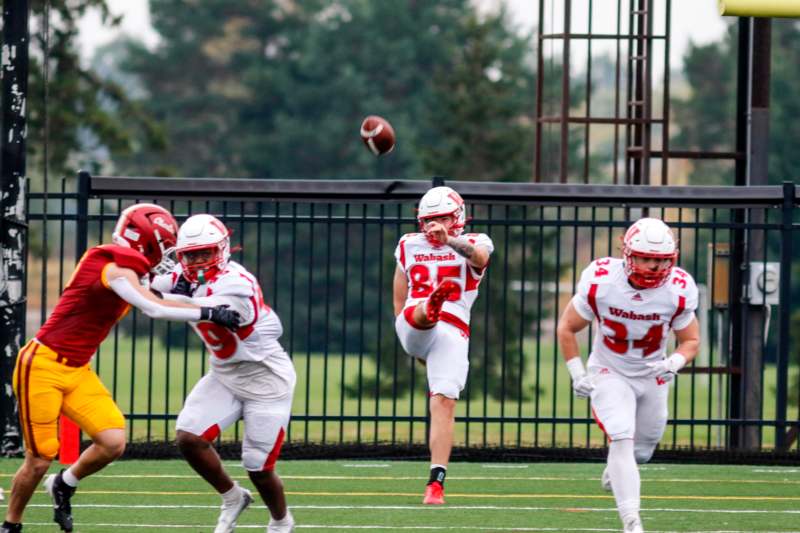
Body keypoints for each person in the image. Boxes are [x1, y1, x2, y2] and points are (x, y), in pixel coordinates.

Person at [2, 204, 241, 533]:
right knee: (40, 457)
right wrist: (209, 313)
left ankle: (64, 484)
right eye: (164, 245)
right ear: (149, 241)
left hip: (77, 369)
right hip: (42, 365)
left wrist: (194, 297)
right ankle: (10, 525)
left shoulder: (126, 269)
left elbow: (158, 291)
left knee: (112, 441)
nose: (167, 254)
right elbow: (153, 307)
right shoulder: (114, 268)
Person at [151, 214, 296, 533]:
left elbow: (175, 305)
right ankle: (232, 497)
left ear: (223, 249)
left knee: (258, 466)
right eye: (191, 254)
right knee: (189, 437)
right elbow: (148, 288)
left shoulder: (236, 283)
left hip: (265, 380)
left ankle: (281, 521)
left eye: (206, 253)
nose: (199, 261)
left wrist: (156, 292)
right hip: (225, 374)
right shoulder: (183, 276)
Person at [556, 217, 700, 533]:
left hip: (653, 373)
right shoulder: (602, 281)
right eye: (646, 258)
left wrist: (673, 362)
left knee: (643, 451)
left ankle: (616, 470)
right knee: (621, 436)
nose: (652, 266)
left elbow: (690, 340)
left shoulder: (678, 290)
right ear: (628, 253)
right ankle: (631, 522)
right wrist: (577, 372)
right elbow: (567, 328)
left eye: (661, 260)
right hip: (610, 369)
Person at [392, 186, 494, 505]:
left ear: (458, 219)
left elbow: (480, 258)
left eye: (443, 220)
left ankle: (435, 484)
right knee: (421, 313)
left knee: (444, 401)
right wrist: (404, 332)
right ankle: (429, 309)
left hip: (453, 329)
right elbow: (398, 291)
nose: (434, 227)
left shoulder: (476, 241)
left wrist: (448, 239)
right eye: (429, 221)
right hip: (414, 317)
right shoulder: (409, 243)